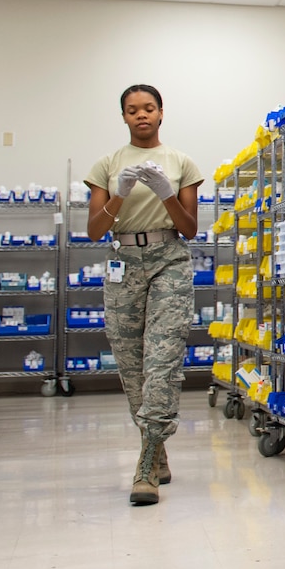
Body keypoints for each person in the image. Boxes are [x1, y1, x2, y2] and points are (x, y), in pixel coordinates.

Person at [85, 85, 203, 506]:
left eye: (148, 108)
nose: (141, 115)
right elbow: (95, 230)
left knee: (162, 361)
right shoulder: (107, 164)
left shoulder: (180, 162)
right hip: (123, 263)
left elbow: (190, 228)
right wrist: (119, 193)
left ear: (161, 113)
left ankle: (146, 463)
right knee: (132, 366)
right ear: (123, 116)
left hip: (169, 258)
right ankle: (158, 449)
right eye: (132, 110)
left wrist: (166, 194)